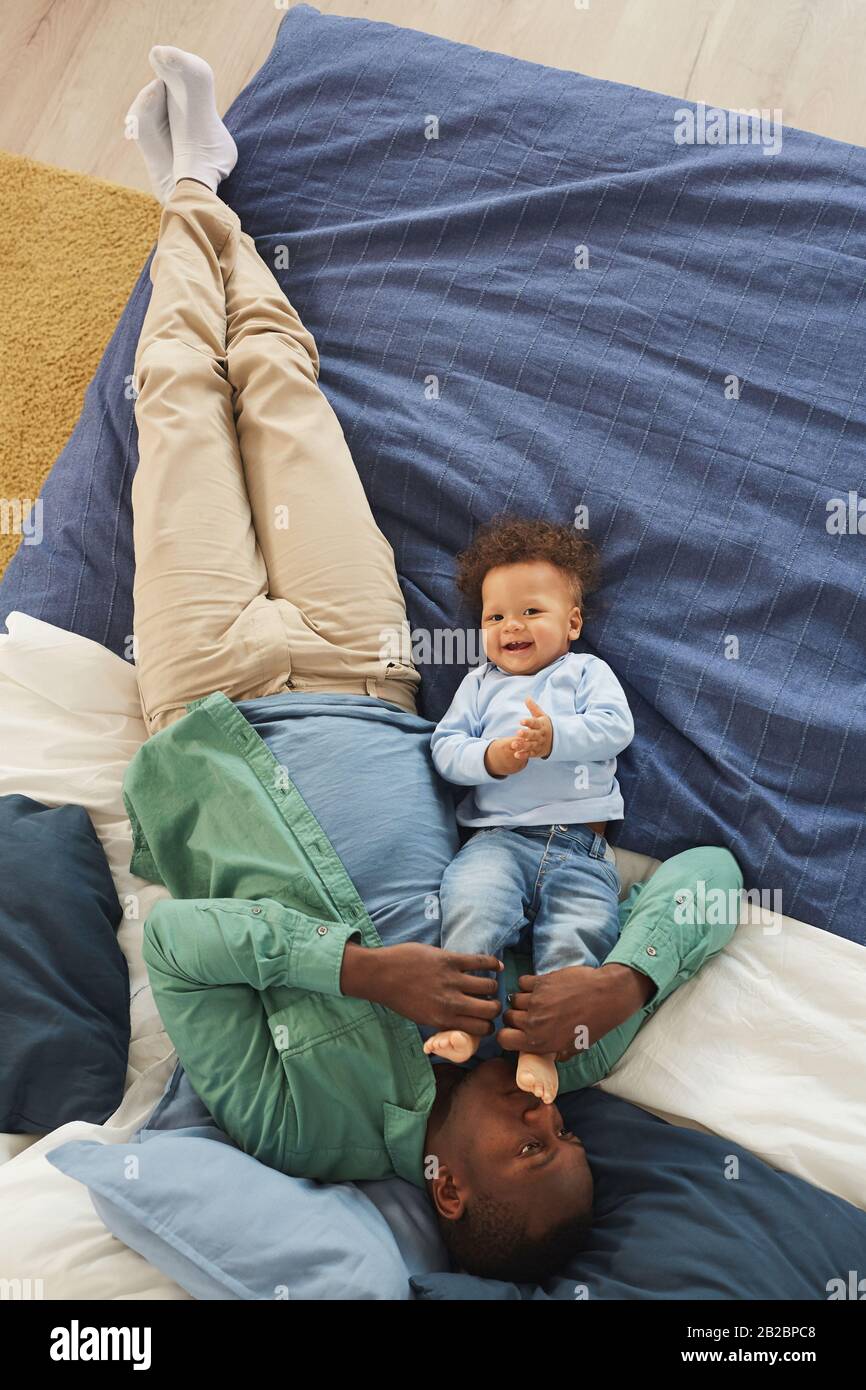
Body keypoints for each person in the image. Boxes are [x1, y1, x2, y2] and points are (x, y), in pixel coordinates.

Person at [122, 47, 743, 1284]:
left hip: (209, 700)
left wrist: (358, 970)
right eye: (564, 1135)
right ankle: (200, 189)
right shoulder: (558, 1029)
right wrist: (619, 983)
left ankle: (187, 192)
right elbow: (712, 877)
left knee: (178, 403)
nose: (546, 1119)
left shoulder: (301, 1123)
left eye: (533, 1153)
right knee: (285, 395)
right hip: (368, 671)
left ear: (445, 1188)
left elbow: (181, 943)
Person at [425, 518, 634, 1103]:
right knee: (470, 907)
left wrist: (553, 739)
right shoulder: (478, 685)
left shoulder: (585, 673)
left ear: (572, 623)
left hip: (581, 848)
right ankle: (463, 1023)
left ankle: (540, 1044)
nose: (511, 626)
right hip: (497, 840)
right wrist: (491, 757)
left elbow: (616, 728)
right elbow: (445, 748)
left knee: (581, 932)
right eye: (495, 618)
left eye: (531, 612)